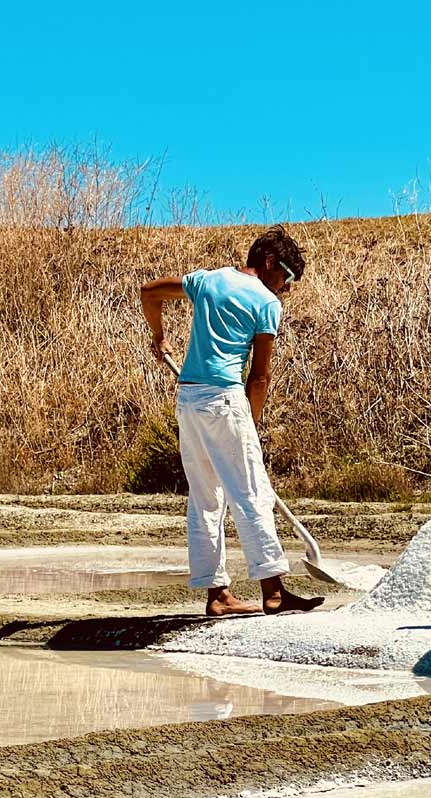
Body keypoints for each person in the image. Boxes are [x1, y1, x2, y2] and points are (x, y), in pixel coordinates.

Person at [139, 225, 325, 617]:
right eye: (288, 278)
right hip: (226, 400)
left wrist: (158, 337)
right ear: (271, 262)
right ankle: (273, 592)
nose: (287, 288)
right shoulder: (266, 303)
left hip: (189, 400)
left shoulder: (208, 280)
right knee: (251, 492)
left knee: (205, 498)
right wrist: (251, 425)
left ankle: (217, 594)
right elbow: (260, 376)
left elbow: (149, 292)